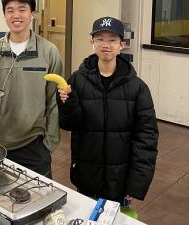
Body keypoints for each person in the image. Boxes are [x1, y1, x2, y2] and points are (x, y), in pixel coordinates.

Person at [57, 16, 158, 206]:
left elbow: (147, 139)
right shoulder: (76, 80)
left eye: (112, 39)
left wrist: (136, 184)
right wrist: (67, 104)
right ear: (92, 43)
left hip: (120, 182)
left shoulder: (138, 88)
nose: (106, 45)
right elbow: (69, 125)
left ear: (122, 45)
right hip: (86, 176)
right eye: (100, 39)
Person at [0, 0, 63, 178]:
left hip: (34, 143)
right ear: (5, 16)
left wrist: (49, 143)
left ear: (32, 14)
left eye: (22, 10)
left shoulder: (49, 52)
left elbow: (54, 101)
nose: (16, 15)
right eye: (10, 10)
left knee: (38, 200)